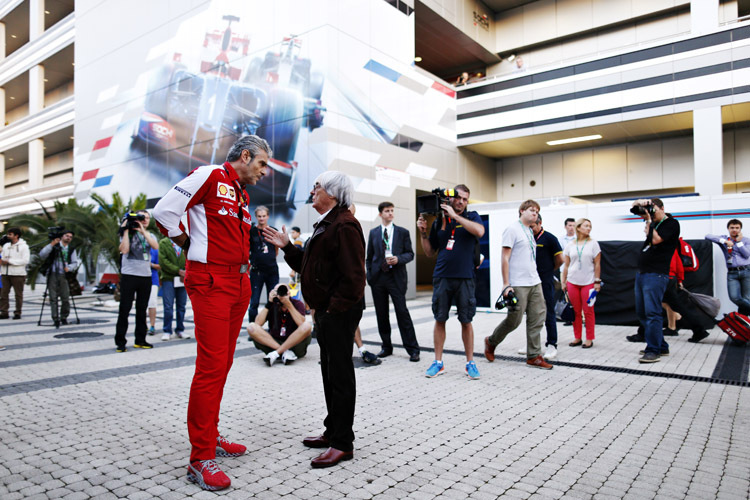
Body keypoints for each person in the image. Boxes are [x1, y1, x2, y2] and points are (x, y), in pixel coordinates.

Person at [153, 134, 271, 491]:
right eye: (262, 164)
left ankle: (211, 435)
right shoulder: (208, 175)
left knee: (222, 364)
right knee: (210, 366)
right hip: (211, 282)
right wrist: (186, 242)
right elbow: (163, 211)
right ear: (246, 156)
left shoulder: (240, 192)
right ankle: (200, 457)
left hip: (239, 283)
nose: (264, 172)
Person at [263, 170, 366, 469]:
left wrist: (331, 309)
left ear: (332, 194)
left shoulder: (345, 225)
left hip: (339, 312)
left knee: (341, 375)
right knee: (329, 373)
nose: (313, 190)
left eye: (317, 186)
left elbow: (354, 278)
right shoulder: (328, 223)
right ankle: (332, 431)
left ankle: (342, 444)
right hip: (327, 311)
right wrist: (287, 247)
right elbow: (309, 265)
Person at [417, 184, 485, 380]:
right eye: (459, 198)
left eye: (465, 199)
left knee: (466, 321)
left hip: (465, 277)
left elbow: (480, 232)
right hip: (442, 276)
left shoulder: (472, 217)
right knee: (440, 318)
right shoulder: (439, 221)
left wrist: (455, 217)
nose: (462, 202)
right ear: (451, 199)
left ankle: (470, 363)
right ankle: (438, 363)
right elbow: (430, 252)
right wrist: (423, 232)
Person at [484, 200, 553, 370]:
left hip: (535, 281)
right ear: (521, 211)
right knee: (513, 320)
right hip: (518, 284)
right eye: (531, 210)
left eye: (537, 211)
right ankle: (491, 341)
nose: (535, 213)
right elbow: (505, 258)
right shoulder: (512, 230)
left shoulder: (530, 231)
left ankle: (534, 356)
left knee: (537, 318)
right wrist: (506, 284)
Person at [366, 201, 420, 362]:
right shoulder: (374, 233)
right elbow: (369, 257)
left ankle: (413, 349)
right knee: (381, 314)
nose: (390, 213)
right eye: (387, 211)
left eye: (392, 211)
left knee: (402, 313)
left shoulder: (403, 232)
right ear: (380, 214)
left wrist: (399, 259)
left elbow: (410, 254)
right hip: (378, 278)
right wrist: (370, 275)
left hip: (396, 278)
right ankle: (386, 346)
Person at [632, 198, 680, 363]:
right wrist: (639, 203)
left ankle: (653, 350)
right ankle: (661, 345)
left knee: (652, 313)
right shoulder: (652, 223)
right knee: (642, 312)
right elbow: (633, 208)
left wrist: (650, 222)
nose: (650, 215)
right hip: (643, 273)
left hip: (656, 274)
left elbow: (656, 240)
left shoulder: (671, 223)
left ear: (662, 208)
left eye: (654, 210)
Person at [115, 210, 159, 352]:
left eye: (146, 218)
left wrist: (142, 230)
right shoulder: (125, 234)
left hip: (145, 276)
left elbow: (155, 246)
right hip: (129, 275)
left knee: (142, 309)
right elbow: (124, 250)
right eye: (141, 218)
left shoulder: (149, 235)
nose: (144, 220)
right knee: (125, 309)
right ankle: (120, 342)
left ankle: (140, 340)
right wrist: (126, 230)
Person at [248, 284, 312, 365]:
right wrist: (269, 303)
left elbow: (301, 323)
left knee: (307, 326)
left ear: (289, 293)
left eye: (284, 291)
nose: (281, 294)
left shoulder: (297, 304)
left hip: (295, 344)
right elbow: (257, 323)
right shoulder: (272, 304)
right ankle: (284, 352)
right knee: (251, 327)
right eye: (277, 291)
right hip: (273, 343)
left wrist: (288, 304)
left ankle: (276, 353)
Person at [561, 218, 601, 349]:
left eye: (590, 226)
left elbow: (597, 264)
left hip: (588, 282)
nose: (589, 228)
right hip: (572, 281)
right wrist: (563, 281)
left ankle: (589, 338)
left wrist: (597, 281)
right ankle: (577, 337)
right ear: (578, 228)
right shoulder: (570, 245)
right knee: (576, 311)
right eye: (586, 226)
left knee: (588, 311)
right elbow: (566, 266)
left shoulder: (593, 244)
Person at [529, 215, 563, 359]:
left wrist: (549, 271)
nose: (530, 229)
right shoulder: (527, 238)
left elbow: (560, 260)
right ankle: (532, 344)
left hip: (546, 281)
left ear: (540, 223)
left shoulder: (549, 238)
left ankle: (552, 344)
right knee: (531, 313)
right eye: (528, 226)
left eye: (533, 226)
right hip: (530, 281)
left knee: (548, 312)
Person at [706, 219, 750, 316]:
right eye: (732, 228)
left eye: (737, 228)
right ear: (728, 229)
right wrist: (725, 241)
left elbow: (747, 255)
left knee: (746, 299)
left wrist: (739, 243)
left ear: (740, 229)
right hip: (732, 273)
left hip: (746, 271)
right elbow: (708, 236)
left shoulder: (746, 240)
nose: (734, 230)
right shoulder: (725, 239)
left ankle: (743, 324)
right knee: (734, 297)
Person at [39, 230, 80, 327]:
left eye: (70, 237)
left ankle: (64, 317)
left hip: (64, 275)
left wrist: (69, 268)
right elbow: (42, 255)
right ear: (62, 236)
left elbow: (74, 262)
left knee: (65, 298)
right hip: (52, 273)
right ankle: (55, 318)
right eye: (66, 236)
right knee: (53, 298)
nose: (68, 238)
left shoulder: (71, 249)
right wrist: (52, 244)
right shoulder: (55, 246)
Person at [248, 205, 279, 323]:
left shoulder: (273, 230)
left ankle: (273, 328)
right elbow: (247, 249)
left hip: (272, 270)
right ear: (256, 217)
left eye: (264, 216)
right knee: (254, 301)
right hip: (257, 271)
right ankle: (253, 328)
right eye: (259, 216)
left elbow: (276, 249)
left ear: (268, 216)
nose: (262, 219)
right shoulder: (251, 231)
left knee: (273, 300)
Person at [158, 235, 188, 341]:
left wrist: (185, 271)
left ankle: (180, 329)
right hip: (169, 279)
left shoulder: (185, 242)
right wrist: (177, 270)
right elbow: (163, 261)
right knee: (168, 306)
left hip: (182, 279)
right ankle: (167, 330)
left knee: (181, 306)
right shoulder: (163, 243)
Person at [0, 227, 29, 320]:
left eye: (10, 234)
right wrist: (3, 261)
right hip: (5, 273)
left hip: (18, 274)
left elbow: (25, 260)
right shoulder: (6, 246)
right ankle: (4, 312)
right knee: (3, 293)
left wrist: (10, 261)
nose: (8, 236)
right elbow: (3, 256)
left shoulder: (24, 246)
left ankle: (18, 312)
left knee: (18, 294)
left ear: (16, 236)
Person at [147, 247, 160, 335]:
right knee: (141, 304)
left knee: (152, 303)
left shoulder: (154, 250)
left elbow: (159, 266)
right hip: (139, 279)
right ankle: (143, 326)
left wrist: (149, 264)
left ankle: (152, 325)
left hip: (152, 280)